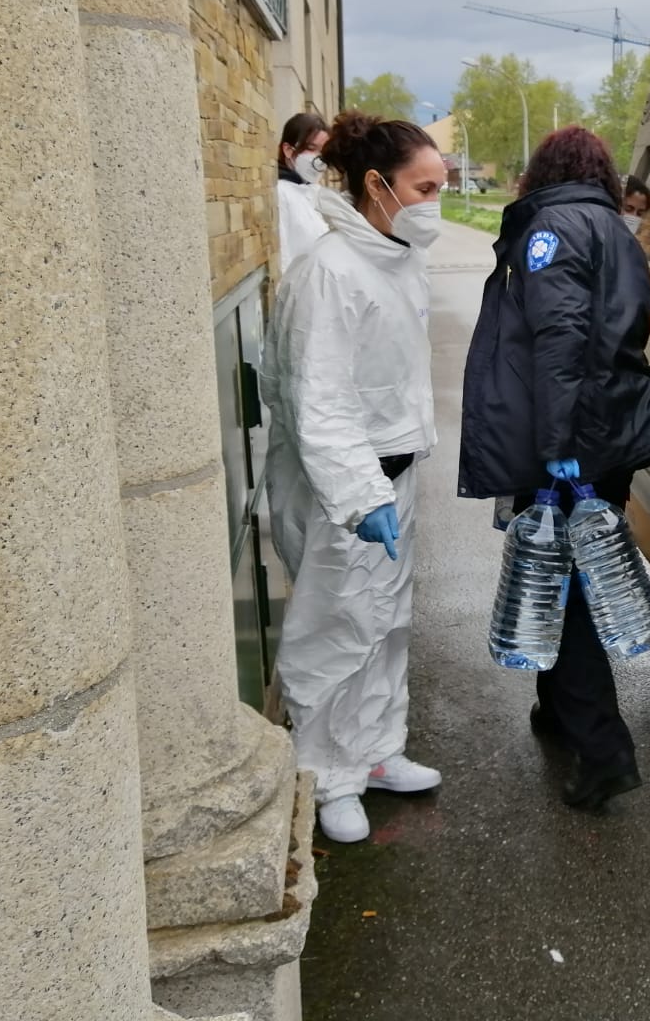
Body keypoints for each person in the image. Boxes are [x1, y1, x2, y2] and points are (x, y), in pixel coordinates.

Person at [458, 126, 650, 810]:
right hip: (601, 432)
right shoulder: (607, 224)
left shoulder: (553, 228)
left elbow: (561, 339)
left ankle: (603, 749)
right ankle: (557, 709)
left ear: (542, 170)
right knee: (562, 572)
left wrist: (557, 446)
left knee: (567, 587)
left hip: (570, 441)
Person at [260, 109, 447, 844]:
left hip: (391, 477)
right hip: (349, 492)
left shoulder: (395, 260)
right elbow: (320, 400)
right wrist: (361, 495)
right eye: (424, 187)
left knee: (386, 626)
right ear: (377, 185)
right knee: (334, 633)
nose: (434, 202)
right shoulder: (331, 274)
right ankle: (325, 775)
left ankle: (374, 754)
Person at [275, 112, 330, 272]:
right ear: (288, 150)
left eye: (323, 152)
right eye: (311, 148)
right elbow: (283, 257)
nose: (318, 159)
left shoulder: (313, 192)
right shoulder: (281, 193)